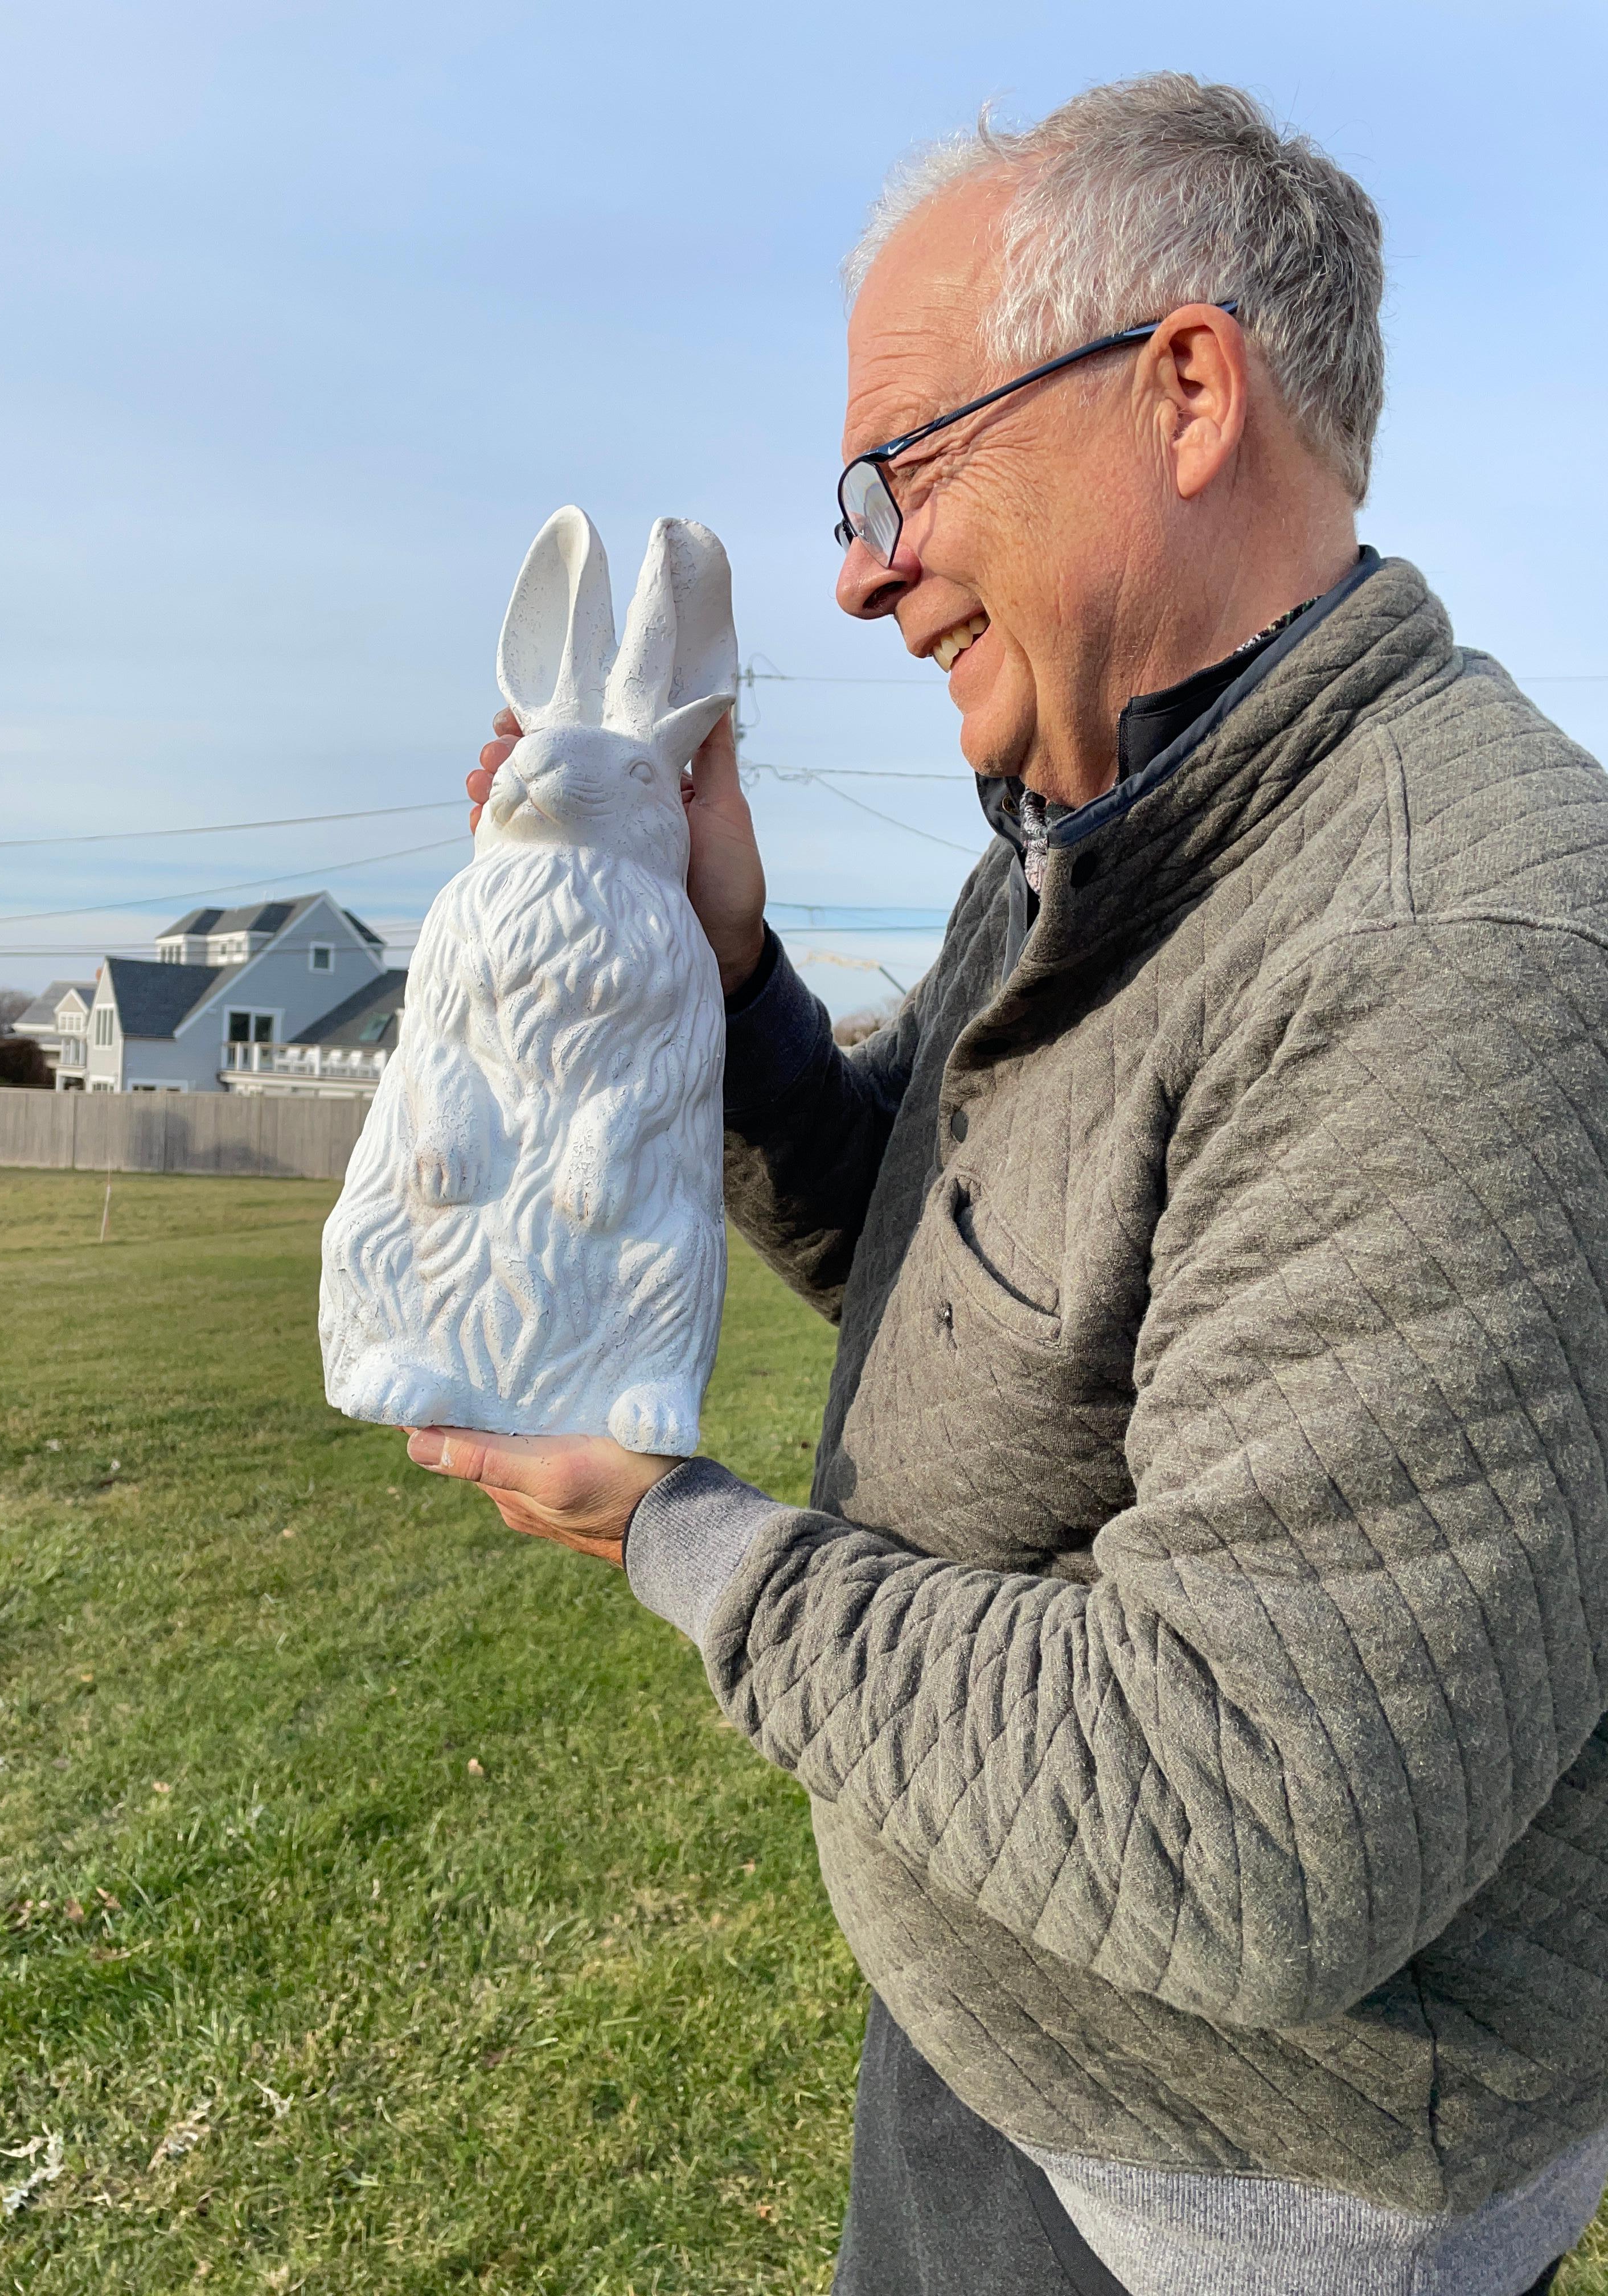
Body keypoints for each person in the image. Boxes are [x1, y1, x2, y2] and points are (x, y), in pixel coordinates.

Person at [411, 73, 1608, 2296]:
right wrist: (739, 976)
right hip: (1010, 2005)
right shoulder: (1106, 847)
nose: (859, 570)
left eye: (903, 467)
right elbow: (976, 1273)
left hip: (1237, 2198)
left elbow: (1255, 1820)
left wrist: (672, 1527)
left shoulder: (1448, 953)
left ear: (1182, 391)